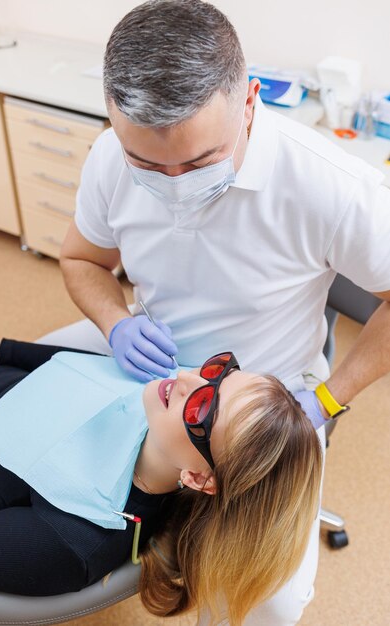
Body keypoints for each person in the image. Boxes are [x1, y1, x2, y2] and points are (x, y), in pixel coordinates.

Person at [41, 0, 390, 622]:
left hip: (266, 397)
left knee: (266, 606)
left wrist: (329, 400)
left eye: (199, 163)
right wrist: (115, 322)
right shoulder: (107, 158)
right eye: (149, 165)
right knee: (18, 410)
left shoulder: (331, 184)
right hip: (149, 366)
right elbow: (82, 260)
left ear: (250, 100)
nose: (173, 181)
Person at [0, 338, 322, 626]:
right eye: (216, 372)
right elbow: (83, 370)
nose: (186, 377)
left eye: (202, 407)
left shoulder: (72, 539)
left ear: (200, 477)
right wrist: (0, 350)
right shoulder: (160, 400)